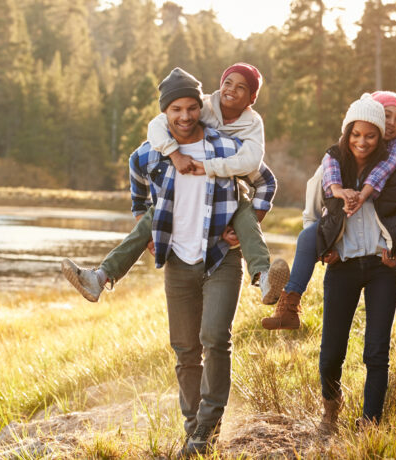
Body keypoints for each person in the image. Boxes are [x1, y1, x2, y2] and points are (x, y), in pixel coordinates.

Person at [109, 68, 268, 456]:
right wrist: (144, 224)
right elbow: (137, 183)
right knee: (184, 350)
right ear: (165, 113)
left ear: (202, 108)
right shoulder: (151, 151)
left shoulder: (226, 146)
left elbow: (266, 179)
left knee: (215, 338)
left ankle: (208, 426)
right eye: (175, 109)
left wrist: (253, 215)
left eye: (192, 107)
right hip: (178, 259)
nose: (184, 115)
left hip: (220, 256)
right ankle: (195, 430)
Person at [61, 63, 289, 307]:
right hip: (181, 192)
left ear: (252, 98)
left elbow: (256, 166)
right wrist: (173, 154)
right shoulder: (201, 107)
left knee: (245, 215)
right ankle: (99, 277)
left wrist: (249, 220)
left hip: (230, 193)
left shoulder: (251, 125)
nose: (231, 90)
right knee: (152, 217)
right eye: (227, 83)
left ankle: (263, 278)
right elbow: (157, 125)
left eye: (241, 87)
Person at [302, 94, 396, 431]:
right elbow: (309, 217)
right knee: (331, 350)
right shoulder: (331, 168)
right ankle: (331, 410)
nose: (364, 140)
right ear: (350, 132)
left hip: (381, 270)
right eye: (358, 133)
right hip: (341, 267)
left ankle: (370, 421)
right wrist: (322, 248)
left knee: (376, 351)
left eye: (373, 133)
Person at [261, 90, 396, 330]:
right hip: (342, 242)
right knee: (306, 237)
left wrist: (362, 194)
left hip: (391, 225)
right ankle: (289, 302)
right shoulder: (336, 157)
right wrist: (327, 242)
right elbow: (317, 197)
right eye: (387, 116)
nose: (393, 124)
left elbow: (384, 173)